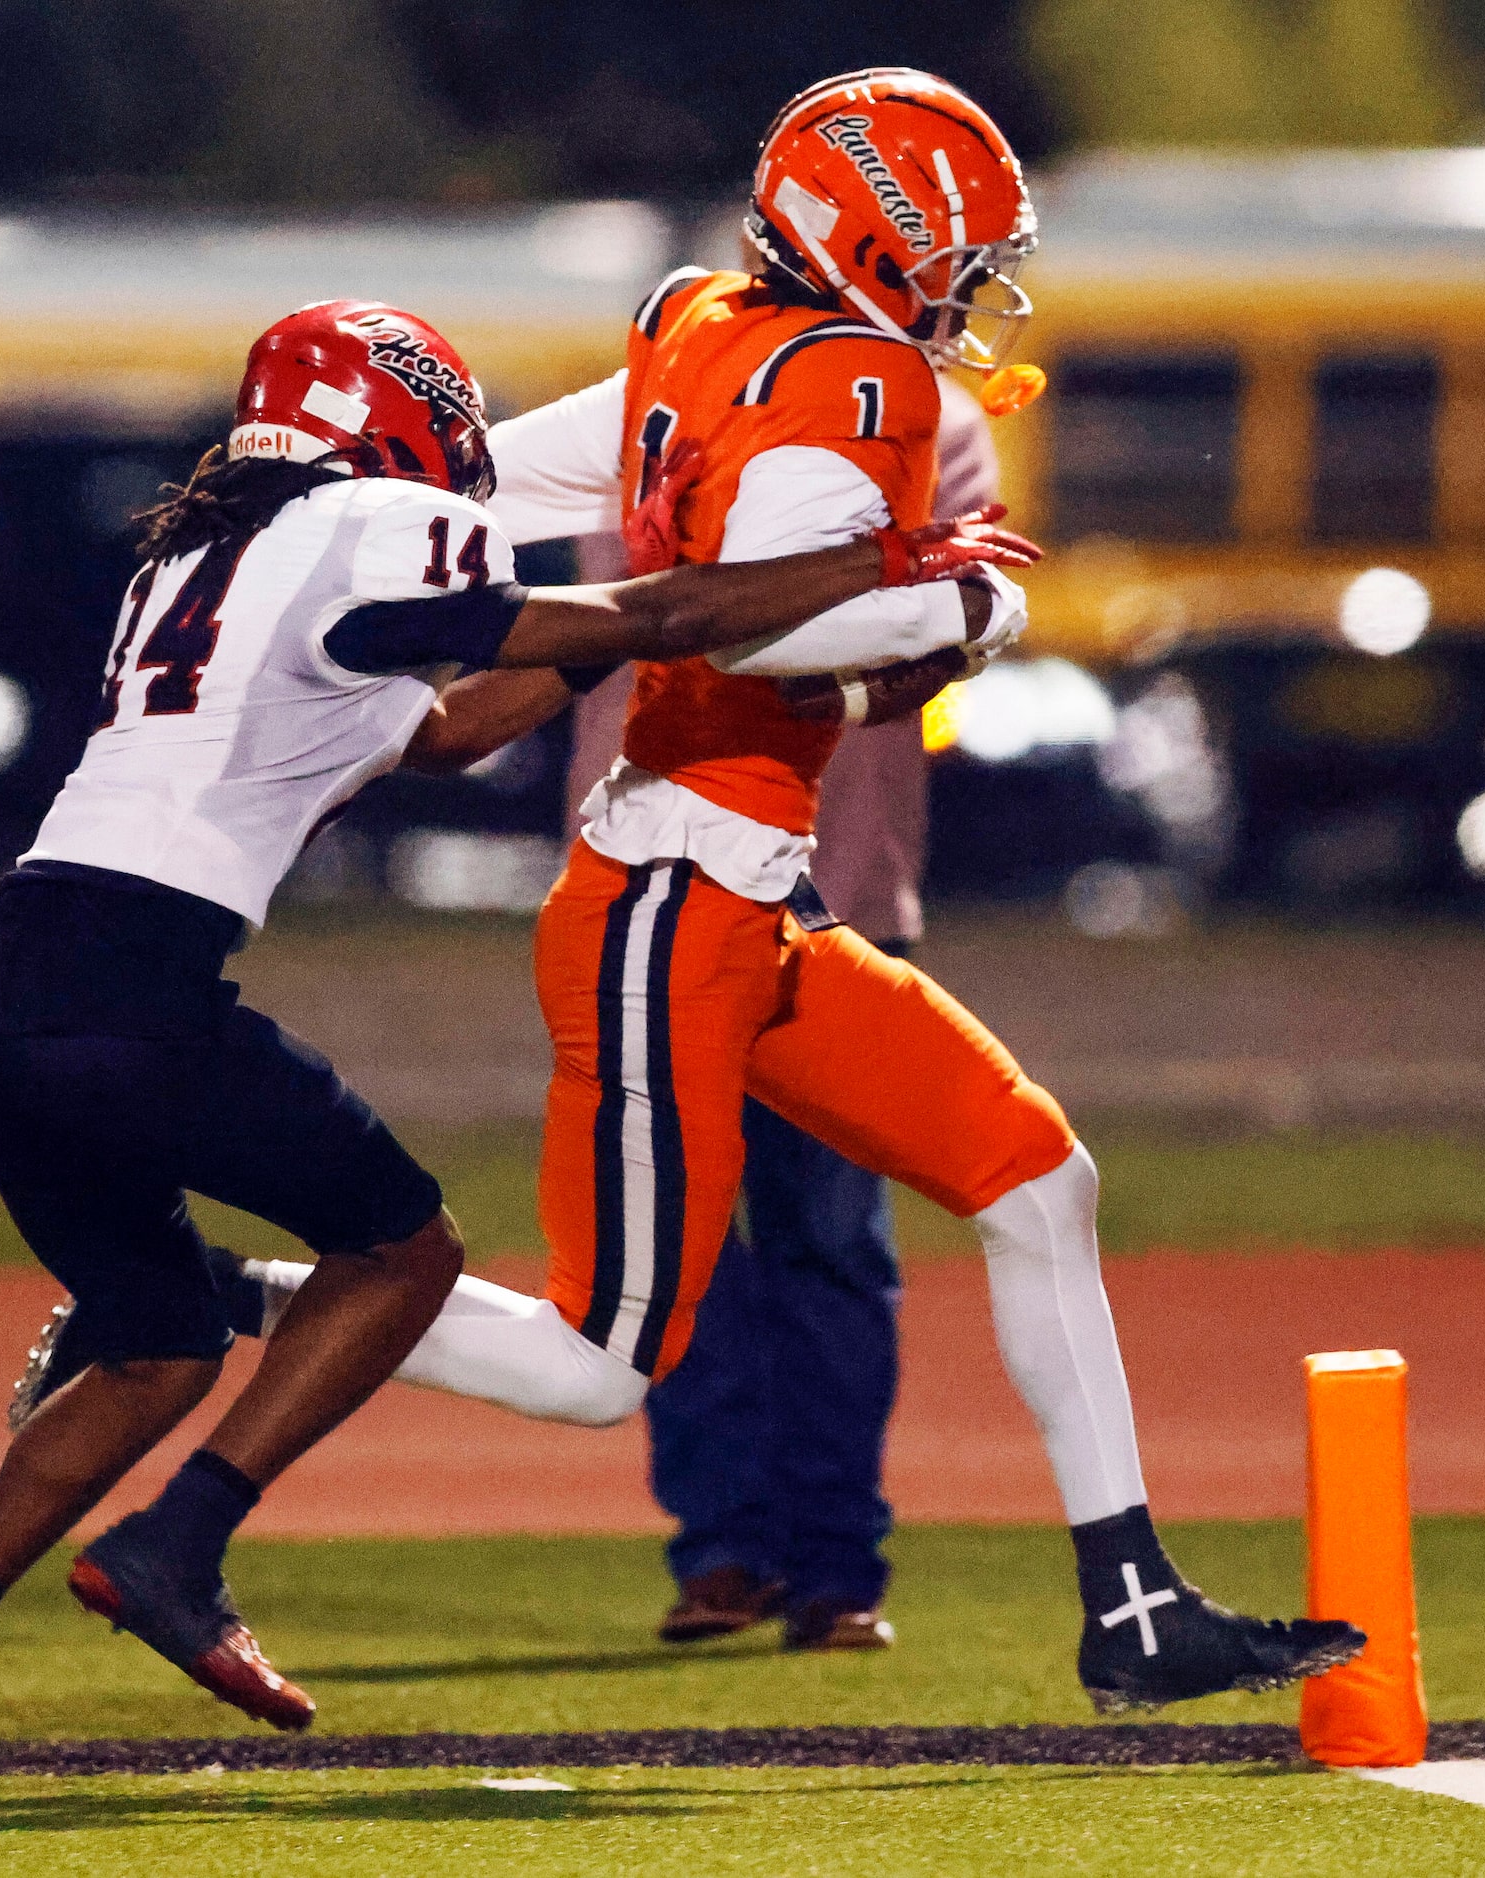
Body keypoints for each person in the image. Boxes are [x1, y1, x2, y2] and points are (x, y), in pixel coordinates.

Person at [229, 69, 1364, 1714]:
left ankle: (1130, 1601)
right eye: (959, 253)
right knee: (595, 1369)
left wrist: (362, 527)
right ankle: (204, 1287)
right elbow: (753, 625)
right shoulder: (854, 378)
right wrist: (953, 618)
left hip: (753, 907)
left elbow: (553, 492)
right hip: (663, 909)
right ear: (875, 235)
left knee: (1038, 1178)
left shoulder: (708, 320)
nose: (976, 290)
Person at [0, 296, 1036, 1804]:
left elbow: (450, 732)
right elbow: (649, 616)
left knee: (154, 1344)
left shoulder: (193, 558)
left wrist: (629, 643)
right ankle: (177, 1545)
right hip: (134, 984)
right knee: (400, 1254)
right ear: (390, 418)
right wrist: (874, 563)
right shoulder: (375, 521)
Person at [560, 379, 985, 1653]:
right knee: (682, 1251)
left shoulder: (933, 419)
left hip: (830, 887)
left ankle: (832, 1560)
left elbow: (934, 631)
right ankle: (726, 1550)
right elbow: (634, 613)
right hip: (651, 876)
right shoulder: (653, 407)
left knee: (826, 1240)